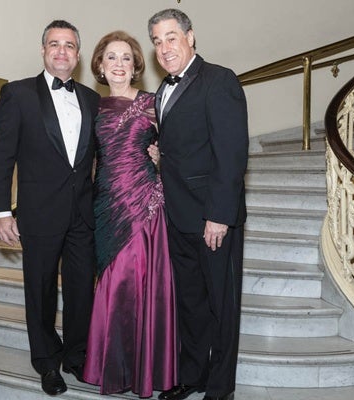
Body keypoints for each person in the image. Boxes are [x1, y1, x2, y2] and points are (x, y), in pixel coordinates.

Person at [0, 20, 100, 396]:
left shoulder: (91, 98)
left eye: (69, 45)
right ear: (43, 51)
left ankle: (78, 356)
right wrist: (2, 210)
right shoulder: (17, 94)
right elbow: (2, 155)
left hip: (84, 214)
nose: (62, 51)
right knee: (40, 291)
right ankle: (47, 363)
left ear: (78, 55)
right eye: (54, 44)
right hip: (38, 213)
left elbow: (106, 154)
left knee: (82, 289)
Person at [148, 9, 249, 400]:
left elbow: (231, 154)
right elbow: (184, 146)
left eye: (171, 37)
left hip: (211, 217)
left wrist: (219, 216)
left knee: (222, 307)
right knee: (190, 303)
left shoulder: (219, 80)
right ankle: (194, 375)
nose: (164, 47)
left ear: (191, 37)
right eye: (157, 41)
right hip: (178, 215)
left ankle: (220, 389)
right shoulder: (162, 91)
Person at [82, 30, 177, 397]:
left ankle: (145, 370)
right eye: (111, 57)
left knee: (139, 281)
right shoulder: (92, 108)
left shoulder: (155, 103)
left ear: (136, 65)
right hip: (106, 202)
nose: (119, 64)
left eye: (125, 57)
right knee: (111, 280)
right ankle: (111, 364)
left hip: (146, 203)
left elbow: (181, 148)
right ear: (100, 66)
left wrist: (162, 159)